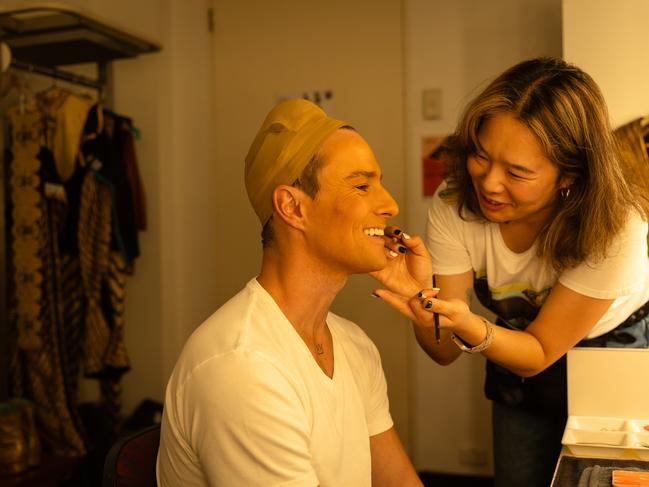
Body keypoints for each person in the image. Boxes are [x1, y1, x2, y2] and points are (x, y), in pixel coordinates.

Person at [372, 57, 649, 487]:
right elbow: (445, 351)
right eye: (481, 156)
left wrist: (470, 325)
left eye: (517, 172)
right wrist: (423, 302)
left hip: (617, 356)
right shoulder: (454, 206)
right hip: (515, 348)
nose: (489, 183)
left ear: (569, 175)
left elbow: (539, 351)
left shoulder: (616, 226)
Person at [156, 99, 424, 486]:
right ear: (292, 207)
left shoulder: (353, 345)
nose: (390, 205)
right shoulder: (242, 368)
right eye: (362, 186)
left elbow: (396, 480)